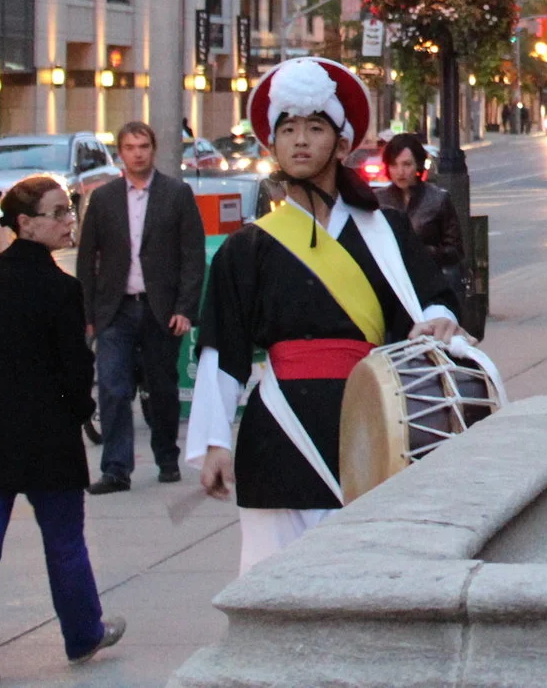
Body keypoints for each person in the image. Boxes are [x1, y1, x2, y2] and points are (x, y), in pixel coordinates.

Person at [186, 57, 462, 571]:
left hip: (370, 419)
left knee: (369, 573)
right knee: (273, 575)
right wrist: (214, 440)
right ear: (272, 144)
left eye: (315, 128)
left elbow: (434, 299)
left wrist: (441, 316)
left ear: (341, 142)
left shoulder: (389, 234)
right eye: (287, 129)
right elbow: (222, 350)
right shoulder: (247, 250)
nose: (300, 140)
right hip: (279, 428)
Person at [0, 177, 124, 687]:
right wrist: (73, 412)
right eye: (59, 212)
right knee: (64, 544)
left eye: (69, 211)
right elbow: (74, 371)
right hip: (48, 441)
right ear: (25, 223)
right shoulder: (62, 290)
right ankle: (84, 634)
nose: (69, 221)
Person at [78, 120, 207, 492]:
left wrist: (185, 307)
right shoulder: (103, 199)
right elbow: (87, 260)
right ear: (120, 153)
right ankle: (116, 468)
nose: (137, 153)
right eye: (130, 147)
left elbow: (192, 255)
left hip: (160, 308)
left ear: (153, 150)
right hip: (115, 309)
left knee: (162, 387)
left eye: (144, 147)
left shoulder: (176, 194)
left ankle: (167, 456)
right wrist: (88, 315)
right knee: (114, 388)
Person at [378, 132, 464, 291]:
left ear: (418, 165)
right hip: (390, 284)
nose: (400, 172)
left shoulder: (438, 199)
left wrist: (426, 252)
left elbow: (455, 251)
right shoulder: (379, 201)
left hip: (428, 281)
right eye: (394, 165)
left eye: (406, 164)